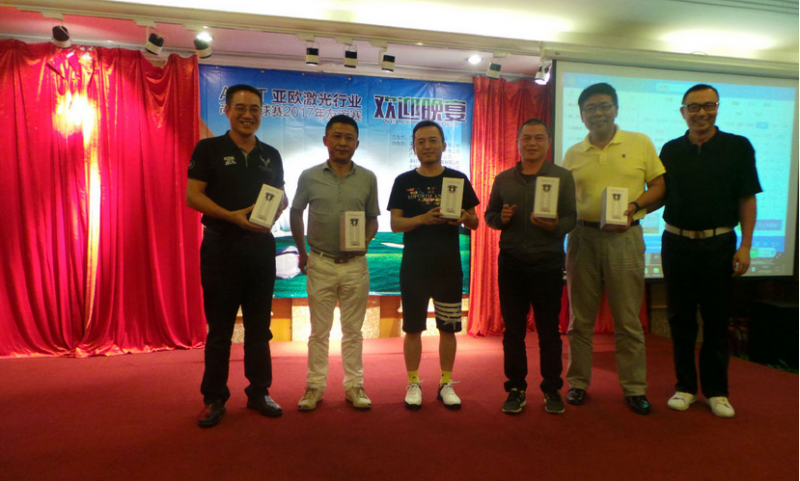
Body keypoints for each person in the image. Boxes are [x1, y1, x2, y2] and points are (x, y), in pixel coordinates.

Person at [187, 84, 287, 428]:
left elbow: (280, 194)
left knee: (260, 328)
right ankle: (214, 397)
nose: (248, 115)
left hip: (260, 248)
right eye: (241, 108)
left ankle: (259, 391)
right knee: (220, 330)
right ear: (227, 110)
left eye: (254, 108)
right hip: (221, 248)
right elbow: (193, 195)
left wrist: (279, 205)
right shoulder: (209, 148)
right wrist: (231, 216)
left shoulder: (271, 154)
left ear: (262, 113)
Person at [562, 83, 665, 415]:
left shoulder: (640, 143)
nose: (598, 113)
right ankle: (578, 383)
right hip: (583, 237)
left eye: (604, 106)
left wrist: (634, 206)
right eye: (590, 108)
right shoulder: (573, 153)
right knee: (580, 319)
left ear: (616, 109)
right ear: (582, 115)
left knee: (628, 319)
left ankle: (634, 389)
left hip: (625, 238)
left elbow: (659, 186)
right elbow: (565, 198)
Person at [658, 84, 760, 418]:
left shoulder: (738, 147)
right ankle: (685, 387)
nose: (701, 113)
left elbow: (747, 198)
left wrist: (746, 246)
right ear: (683, 112)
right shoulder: (671, 150)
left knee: (717, 319)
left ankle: (717, 391)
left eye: (708, 105)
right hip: (676, 243)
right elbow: (660, 194)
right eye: (694, 107)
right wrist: (629, 208)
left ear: (717, 108)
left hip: (719, 245)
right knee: (680, 319)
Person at [485, 119, 576, 414]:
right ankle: (515, 388)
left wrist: (554, 225)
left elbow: (571, 218)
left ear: (548, 143)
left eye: (538, 138)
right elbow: (489, 216)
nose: (532, 143)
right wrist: (501, 219)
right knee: (513, 332)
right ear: (518, 143)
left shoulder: (562, 177)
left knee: (549, 331)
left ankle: (552, 389)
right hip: (511, 264)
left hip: (548, 263)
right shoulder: (504, 179)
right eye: (526, 138)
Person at [388, 120, 479, 410]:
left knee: (448, 328)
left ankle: (446, 383)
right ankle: (413, 382)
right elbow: (395, 224)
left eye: (432, 140)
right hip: (414, 267)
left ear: (443, 145)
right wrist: (422, 219)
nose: (427, 146)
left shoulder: (457, 179)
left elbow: (475, 222)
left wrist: (464, 217)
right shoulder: (403, 181)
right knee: (413, 328)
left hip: (448, 266)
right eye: (421, 141)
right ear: (414, 147)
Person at [290, 115, 379, 411]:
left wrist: (365, 241)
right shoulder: (309, 176)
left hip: (356, 265)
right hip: (321, 262)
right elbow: (296, 212)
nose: (343, 142)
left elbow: (373, 219)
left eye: (349, 137)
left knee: (353, 331)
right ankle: (314, 386)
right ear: (326, 140)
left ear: (357, 143)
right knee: (319, 331)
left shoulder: (368, 178)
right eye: (337, 136)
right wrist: (302, 252)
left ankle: (354, 385)